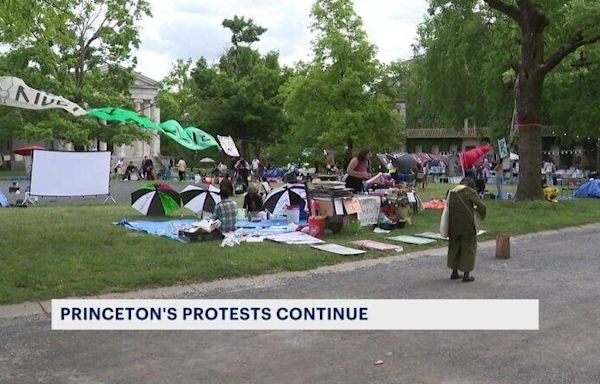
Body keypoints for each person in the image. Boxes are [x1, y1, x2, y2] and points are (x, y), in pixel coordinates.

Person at [446, 177, 487, 282]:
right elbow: (482, 206)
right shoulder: (470, 192)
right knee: (468, 248)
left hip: (453, 224)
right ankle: (466, 274)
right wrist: (481, 215)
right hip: (467, 225)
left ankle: (454, 272)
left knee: (454, 247)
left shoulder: (452, 192)